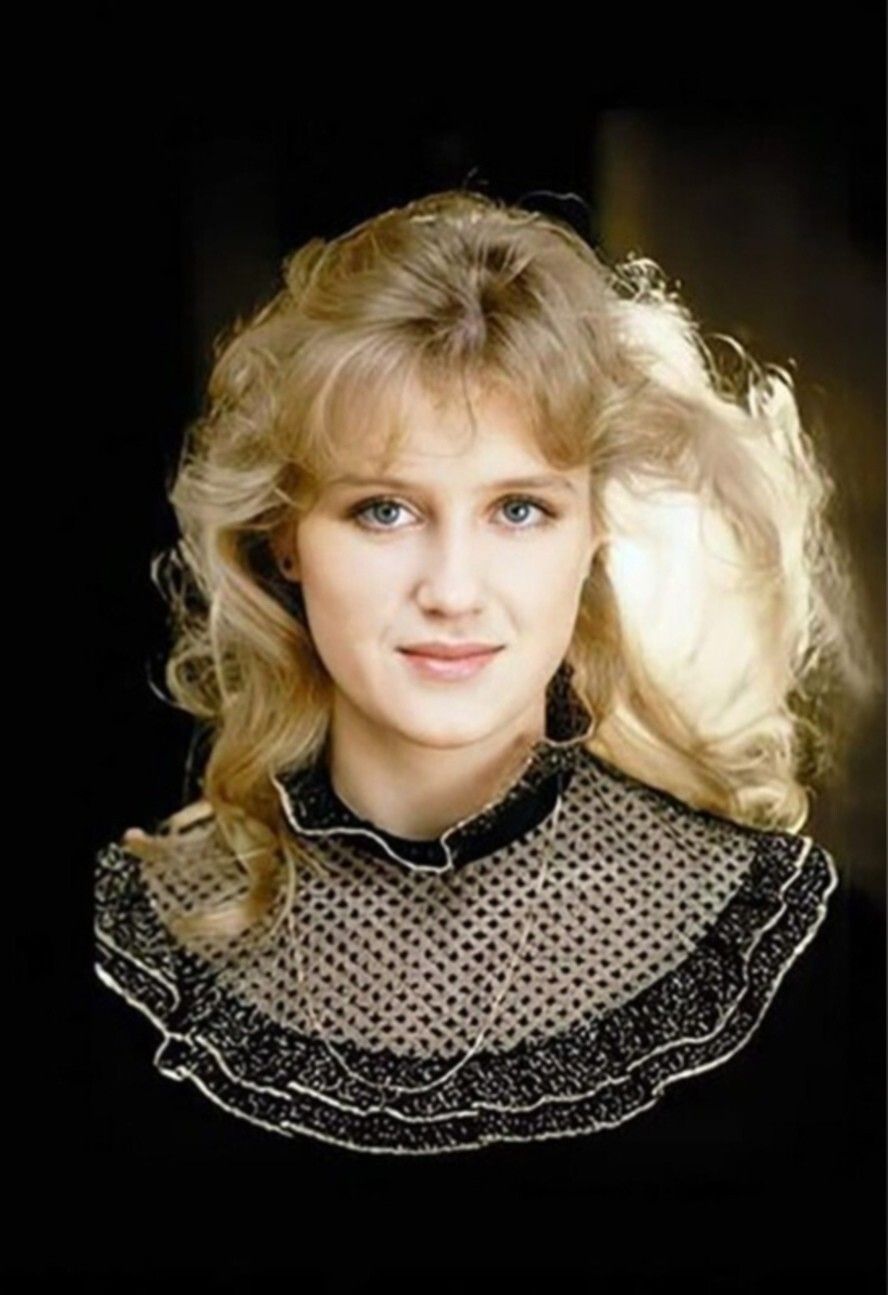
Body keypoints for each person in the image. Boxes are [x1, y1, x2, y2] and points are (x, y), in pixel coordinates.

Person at [92, 188, 880, 1275]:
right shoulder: (121, 965)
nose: (454, 590)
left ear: (592, 530)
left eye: (519, 509)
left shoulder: (810, 968)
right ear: (285, 540)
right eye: (384, 509)